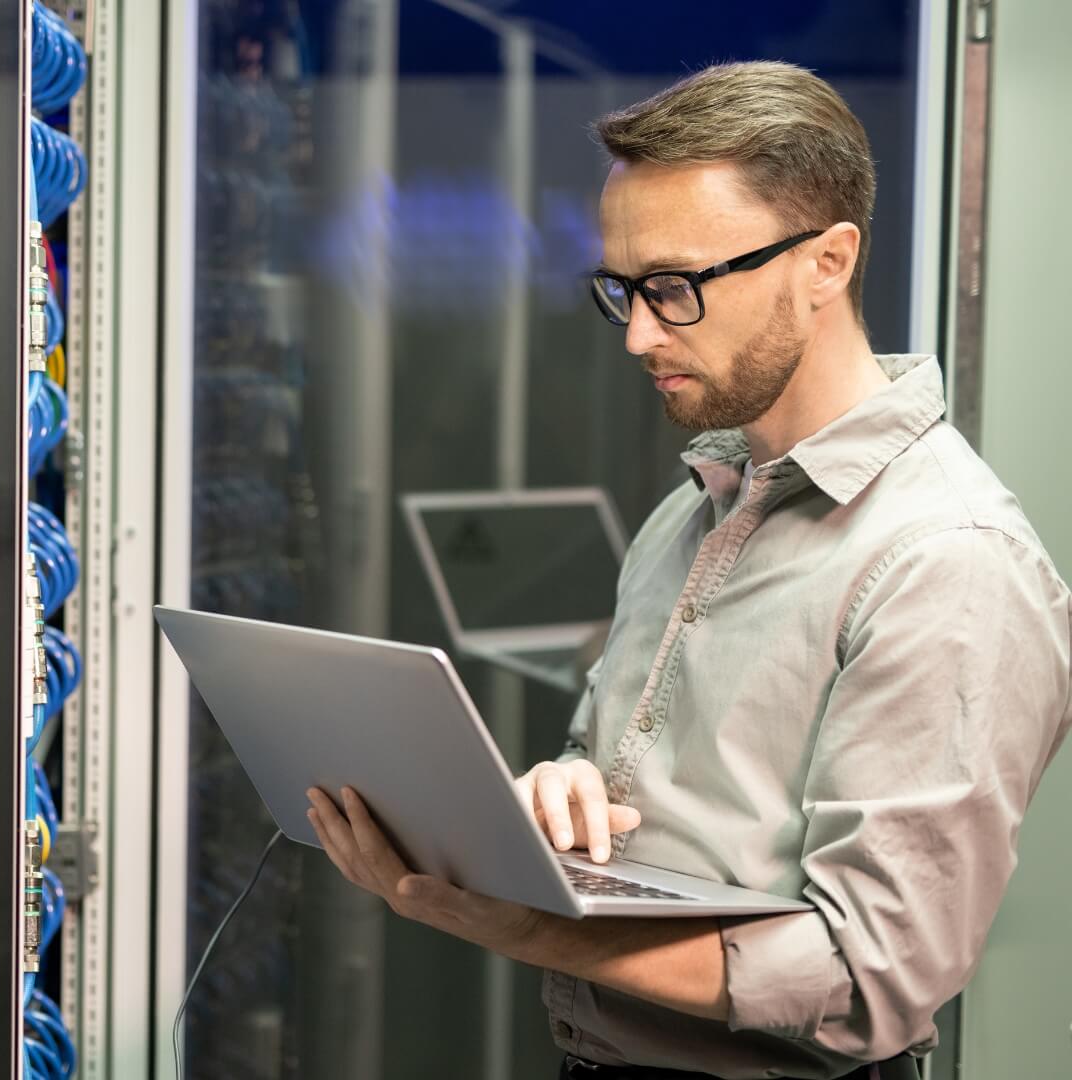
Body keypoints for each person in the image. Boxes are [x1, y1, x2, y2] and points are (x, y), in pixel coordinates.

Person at [308, 61, 1071, 1080]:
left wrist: (515, 923)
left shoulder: (948, 559)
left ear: (828, 262)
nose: (637, 333)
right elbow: (629, 789)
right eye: (622, 289)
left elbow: (871, 976)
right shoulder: (694, 507)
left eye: (676, 288)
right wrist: (560, 796)